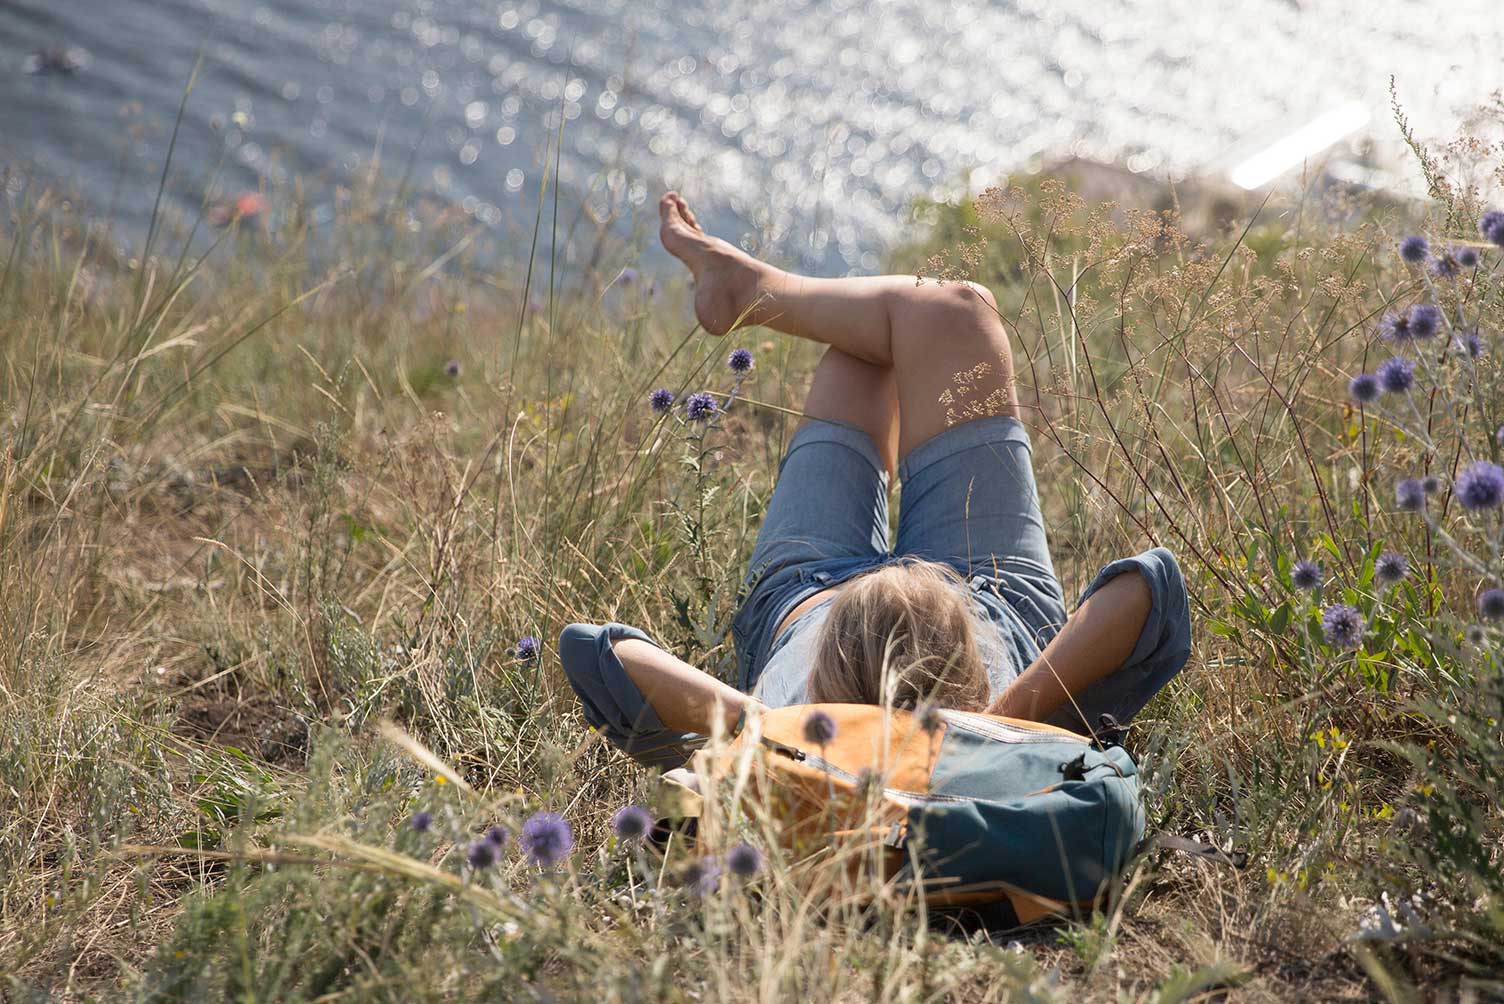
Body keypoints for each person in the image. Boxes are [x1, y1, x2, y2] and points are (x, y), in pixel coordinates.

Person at [559, 192, 1191, 768]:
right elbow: (1153, 586)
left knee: (862, 354)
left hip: (808, 598)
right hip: (988, 594)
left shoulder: (798, 746)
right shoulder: (991, 743)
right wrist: (999, 721)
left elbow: (594, 651)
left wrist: (770, 730)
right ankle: (750, 286)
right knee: (954, 310)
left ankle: (748, 285)